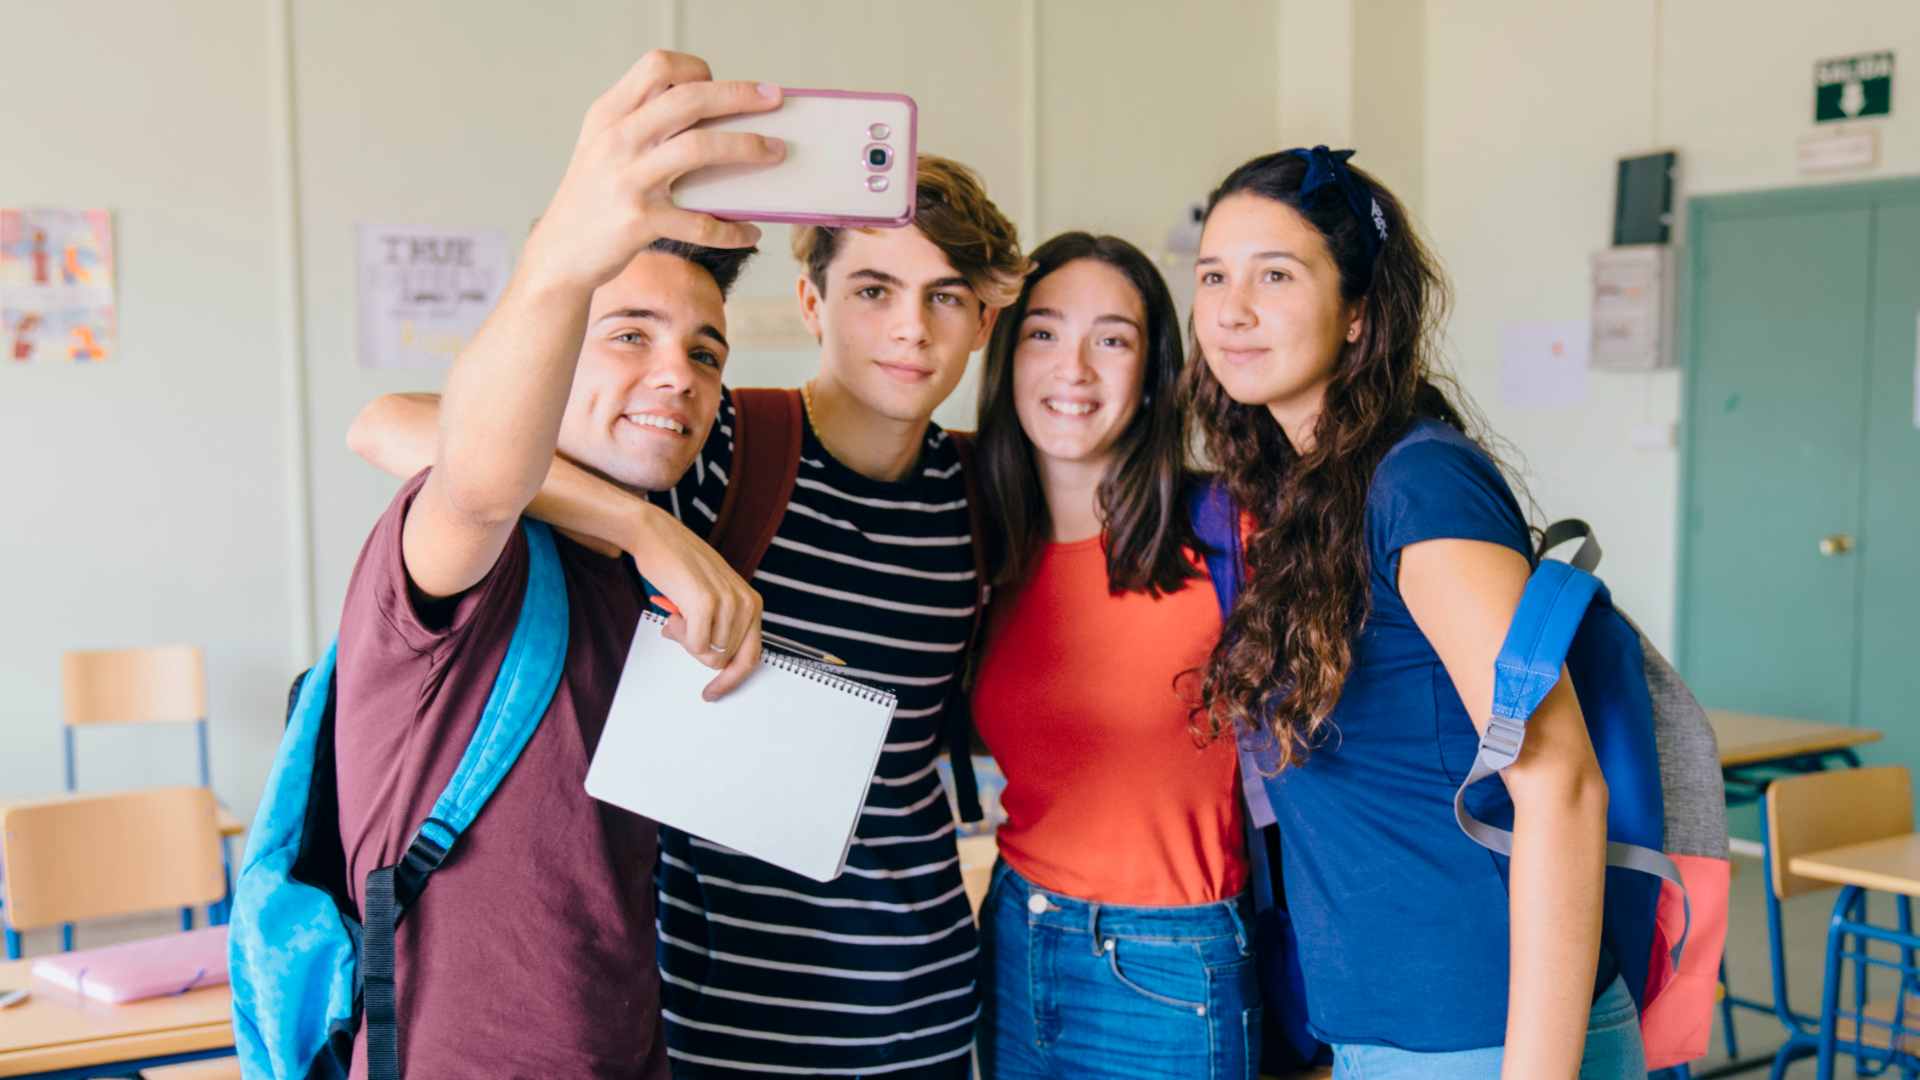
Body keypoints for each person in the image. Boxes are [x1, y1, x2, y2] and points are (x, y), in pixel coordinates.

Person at [349, 155, 1026, 1078]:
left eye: (946, 297)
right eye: (874, 289)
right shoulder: (713, 442)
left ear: (983, 321)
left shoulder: (986, 493)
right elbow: (399, 426)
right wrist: (646, 529)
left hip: (919, 1003)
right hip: (711, 1014)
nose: (910, 327)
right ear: (812, 303)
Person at [329, 52, 778, 1079]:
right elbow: (480, 472)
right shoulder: (470, 556)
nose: (679, 373)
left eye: (707, 352)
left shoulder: (637, 572)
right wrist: (560, 263)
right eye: (629, 333)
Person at [1185, 147, 1637, 1079]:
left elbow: (1559, 783)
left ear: (1358, 313)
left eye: (1275, 275)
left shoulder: (1420, 484)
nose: (1232, 309)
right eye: (1212, 276)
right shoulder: (1305, 492)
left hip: (1489, 1035)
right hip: (1393, 1031)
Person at [966, 232, 1257, 1079]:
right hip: (1016, 932)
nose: (1074, 368)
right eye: (1045, 332)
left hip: (1171, 961)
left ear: (1155, 373)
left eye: (1113, 340)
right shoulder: (983, 539)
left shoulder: (1231, 534)